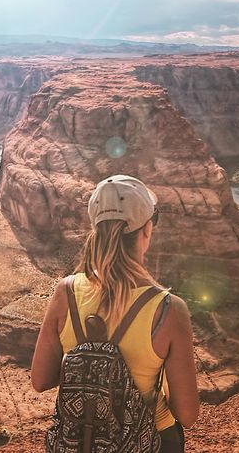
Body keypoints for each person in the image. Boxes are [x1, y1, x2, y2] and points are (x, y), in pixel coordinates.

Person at [31, 175, 200, 453]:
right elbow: (187, 414)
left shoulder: (66, 293)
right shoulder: (168, 309)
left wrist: (92, 377)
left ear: (96, 229)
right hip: (151, 442)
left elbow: (41, 380)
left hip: (83, 442)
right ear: (147, 229)